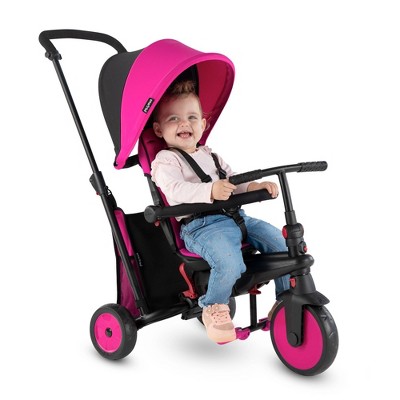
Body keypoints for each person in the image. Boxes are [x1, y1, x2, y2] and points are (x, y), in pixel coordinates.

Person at [151, 80, 290, 344]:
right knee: (229, 262)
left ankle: (286, 300)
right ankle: (213, 305)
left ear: (203, 124)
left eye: (192, 117)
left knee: (283, 246)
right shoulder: (165, 160)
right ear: (159, 129)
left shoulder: (211, 156)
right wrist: (210, 190)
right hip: (200, 226)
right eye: (174, 118)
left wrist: (254, 186)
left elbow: (233, 181)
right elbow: (175, 190)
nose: (184, 123)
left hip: (237, 219)